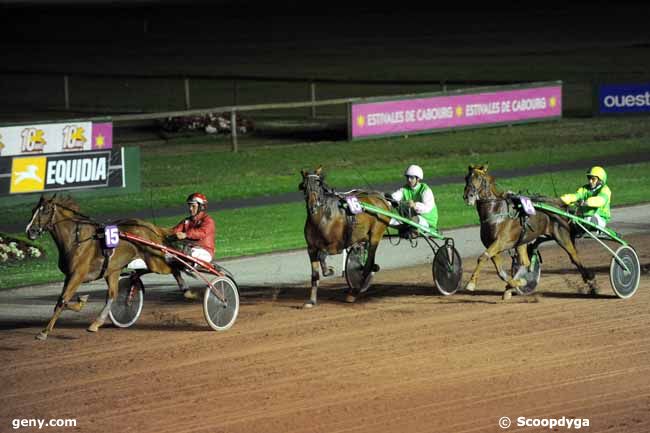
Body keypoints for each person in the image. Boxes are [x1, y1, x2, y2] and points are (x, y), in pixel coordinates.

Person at [171, 192, 216, 299]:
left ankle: (188, 265)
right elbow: (174, 231)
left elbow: (201, 233)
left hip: (204, 252)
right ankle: (185, 289)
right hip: (189, 251)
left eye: (193, 206)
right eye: (189, 206)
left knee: (189, 253)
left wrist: (186, 234)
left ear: (201, 207)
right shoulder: (186, 221)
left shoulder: (208, 221)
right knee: (169, 257)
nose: (190, 209)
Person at [389, 164, 438, 237]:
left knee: (412, 219)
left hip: (427, 220)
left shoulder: (425, 190)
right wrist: (386, 201)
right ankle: (408, 229)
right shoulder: (404, 189)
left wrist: (415, 205)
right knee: (386, 219)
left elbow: (427, 208)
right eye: (407, 177)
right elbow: (394, 197)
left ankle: (411, 230)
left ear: (418, 179)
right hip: (411, 219)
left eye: (411, 178)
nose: (409, 180)